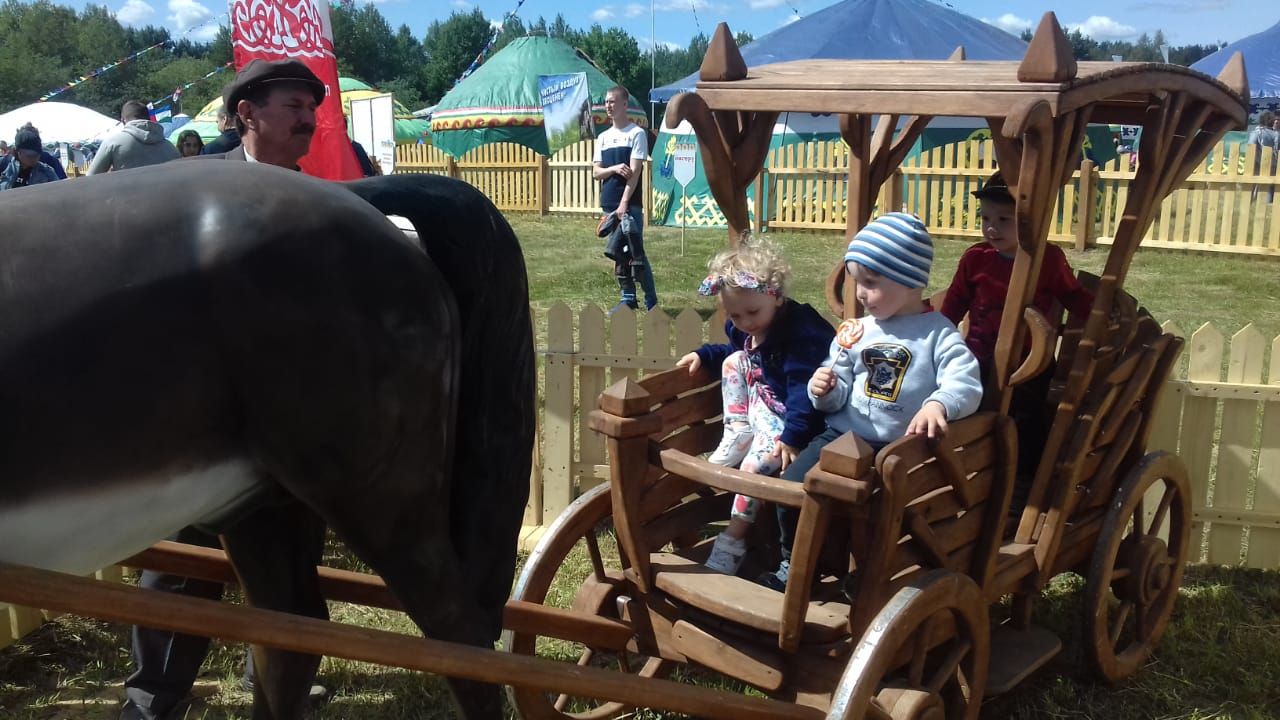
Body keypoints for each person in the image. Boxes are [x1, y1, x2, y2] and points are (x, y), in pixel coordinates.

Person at [121, 58, 328, 720]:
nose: (307, 119)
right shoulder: (191, 192)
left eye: (310, 108)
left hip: (292, 429)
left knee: (289, 569)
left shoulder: (324, 208)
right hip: (204, 425)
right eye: (294, 105)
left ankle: (275, 678)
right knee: (181, 570)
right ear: (247, 113)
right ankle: (152, 703)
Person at [759, 212, 983, 591]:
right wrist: (826, 389)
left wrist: (938, 404)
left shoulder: (937, 335)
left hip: (900, 449)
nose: (860, 293)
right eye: (856, 282)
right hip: (842, 437)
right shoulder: (859, 331)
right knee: (794, 490)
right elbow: (839, 388)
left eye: (871, 283)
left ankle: (872, 574)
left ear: (910, 280)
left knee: (883, 514)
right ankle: (796, 565)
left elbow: (966, 382)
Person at [675, 237, 834, 576]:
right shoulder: (747, 325)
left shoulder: (801, 334)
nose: (745, 322)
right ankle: (737, 430)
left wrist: (792, 437)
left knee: (753, 469)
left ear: (775, 297)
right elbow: (741, 351)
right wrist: (703, 355)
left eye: (752, 312)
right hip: (764, 406)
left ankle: (733, 538)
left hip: (795, 419)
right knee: (733, 359)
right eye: (734, 314)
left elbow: (804, 393)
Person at [940, 171, 1093, 512]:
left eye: (1004, 219)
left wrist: (1099, 314)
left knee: (1025, 423)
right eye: (986, 219)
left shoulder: (1046, 258)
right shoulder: (975, 259)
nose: (992, 227)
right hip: (978, 358)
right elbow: (954, 304)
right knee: (971, 416)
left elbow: (1072, 295)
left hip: (1028, 365)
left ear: (1029, 220)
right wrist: (937, 335)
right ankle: (973, 478)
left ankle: (1022, 487)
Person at [593, 85, 657, 314]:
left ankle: (652, 302)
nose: (608, 106)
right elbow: (596, 172)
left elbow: (635, 173)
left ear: (624, 105)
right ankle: (627, 299)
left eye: (612, 102)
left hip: (629, 205)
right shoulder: (603, 137)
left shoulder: (636, 134)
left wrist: (624, 204)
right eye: (606, 102)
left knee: (636, 254)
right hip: (609, 204)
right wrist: (613, 168)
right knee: (618, 254)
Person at [88, 100, 180, 174]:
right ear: (148, 118)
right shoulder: (170, 147)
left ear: (123, 121)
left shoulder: (113, 142)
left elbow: (91, 178)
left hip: (126, 196)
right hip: (165, 196)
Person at [1248, 111, 1278, 202]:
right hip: (1272, 162)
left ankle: (1252, 201)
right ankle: (1267, 203)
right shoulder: (1276, 134)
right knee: (1268, 183)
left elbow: (1251, 145)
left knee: (1254, 182)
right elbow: (1276, 149)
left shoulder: (1257, 132)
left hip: (1257, 161)